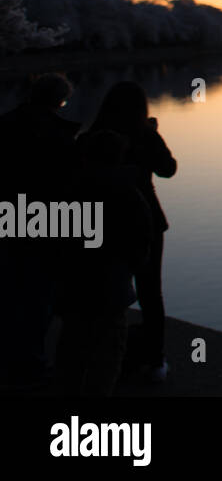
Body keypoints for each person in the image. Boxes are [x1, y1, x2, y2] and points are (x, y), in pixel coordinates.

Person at [86, 81, 177, 382]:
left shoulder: (91, 137)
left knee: (104, 288)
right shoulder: (144, 135)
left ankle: (102, 353)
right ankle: (155, 358)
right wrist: (153, 135)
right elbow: (168, 169)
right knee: (151, 291)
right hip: (147, 217)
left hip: (103, 220)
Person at [53, 130, 154, 396]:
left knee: (71, 354)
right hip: (113, 289)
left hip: (74, 289)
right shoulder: (129, 193)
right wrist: (128, 269)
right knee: (107, 360)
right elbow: (143, 239)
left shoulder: (68, 190)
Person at [0, 73, 80, 387]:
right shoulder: (57, 137)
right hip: (45, 223)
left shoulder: (6, 125)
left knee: (12, 289)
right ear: (58, 102)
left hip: (10, 217)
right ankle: (30, 362)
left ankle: (13, 357)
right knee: (38, 295)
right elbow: (68, 186)